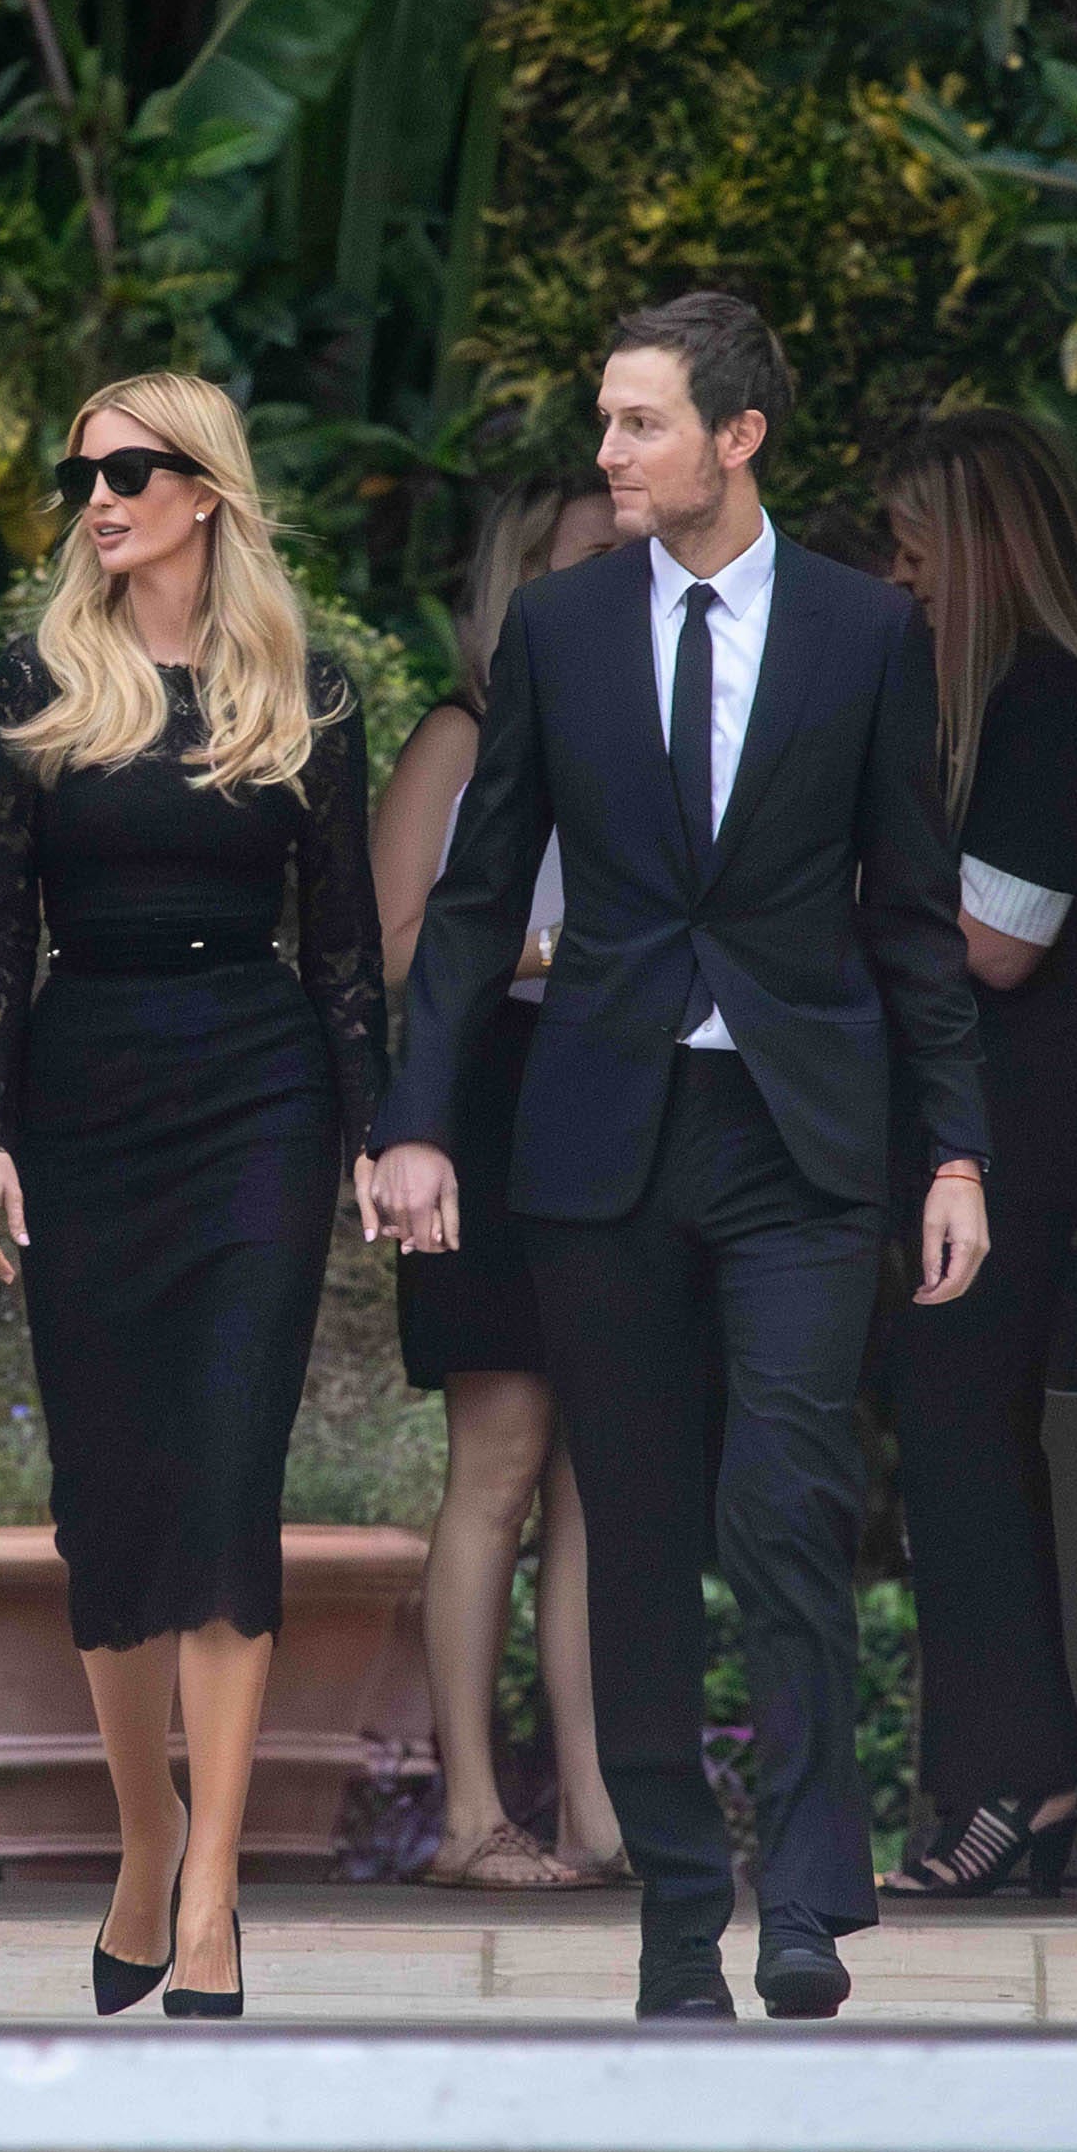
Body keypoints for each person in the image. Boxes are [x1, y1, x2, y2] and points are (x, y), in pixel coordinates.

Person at [365, 292, 991, 2024]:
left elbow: (916, 920)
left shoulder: (866, 632)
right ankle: (673, 1915)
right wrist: (413, 1122)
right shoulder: (561, 633)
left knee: (787, 1502)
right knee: (628, 1531)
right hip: (603, 1137)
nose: (609, 452)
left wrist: (957, 1155)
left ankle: (803, 1896)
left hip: (798, 1138)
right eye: (606, 420)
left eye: (640, 423)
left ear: (739, 436)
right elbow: (481, 896)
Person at [0, 372, 387, 2019]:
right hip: (86, 1097)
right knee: (113, 1495)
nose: (100, 498)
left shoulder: (304, 688)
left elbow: (345, 949)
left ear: (206, 490)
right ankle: (145, 1835)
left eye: (132, 471)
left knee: (225, 1476)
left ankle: (211, 1893)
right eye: (84, 476)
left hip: (257, 1094)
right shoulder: (37, 681)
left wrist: (372, 1133)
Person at [875, 409, 1077, 1897]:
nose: (901, 578)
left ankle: (1012, 1780)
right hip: (1009, 1140)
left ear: (987, 548)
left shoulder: (1051, 704)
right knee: (967, 1454)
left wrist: (844, 879)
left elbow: (998, 941)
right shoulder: (1045, 698)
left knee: (959, 1453)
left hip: (1015, 1144)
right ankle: (1015, 1775)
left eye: (919, 549)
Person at [368, 475, 628, 1890]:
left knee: (600, 1470)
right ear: (522, 579)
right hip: (486, 1104)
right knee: (502, 1463)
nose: (625, 572)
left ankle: (594, 1807)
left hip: (610, 1103)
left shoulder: (641, 724)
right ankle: (471, 1808)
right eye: (593, 554)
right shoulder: (461, 736)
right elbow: (398, 942)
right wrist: (549, 956)